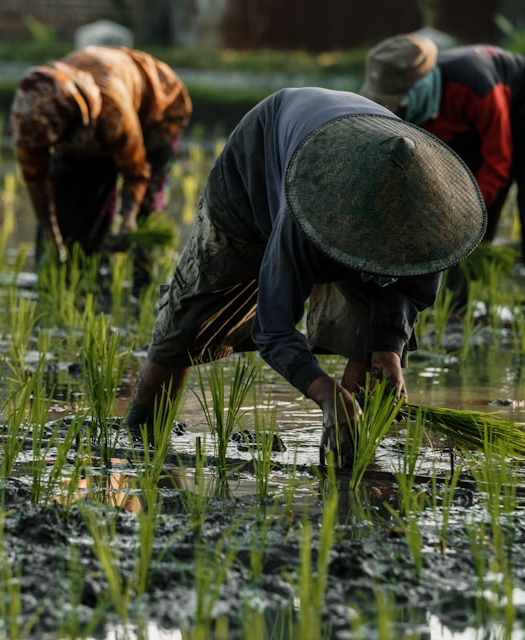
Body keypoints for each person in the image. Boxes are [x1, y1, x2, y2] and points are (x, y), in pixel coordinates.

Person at [124, 87, 486, 468]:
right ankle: (141, 433)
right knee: (188, 317)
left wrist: (388, 349)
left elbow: (407, 295)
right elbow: (272, 325)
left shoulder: (432, 227)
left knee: (371, 335)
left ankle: (347, 452)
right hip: (261, 159)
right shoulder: (309, 206)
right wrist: (323, 391)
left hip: (363, 157)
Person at [359, 34, 525, 301]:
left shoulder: (473, 84)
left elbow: (498, 162)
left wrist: (463, 212)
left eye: (394, 100)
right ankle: (457, 312)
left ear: (417, 86)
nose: (390, 108)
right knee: (466, 235)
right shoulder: (414, 112)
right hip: (475, 126)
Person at [9, 45, 192, 291]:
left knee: (145, 209)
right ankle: (78, 276)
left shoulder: (112, 111)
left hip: (157, 112)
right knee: (71, 194)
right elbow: (36, 179)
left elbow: (136, 173)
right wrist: (51, 233)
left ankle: (145, 284)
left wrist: (128, 218)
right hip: (87, 116)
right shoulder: (30, 121)